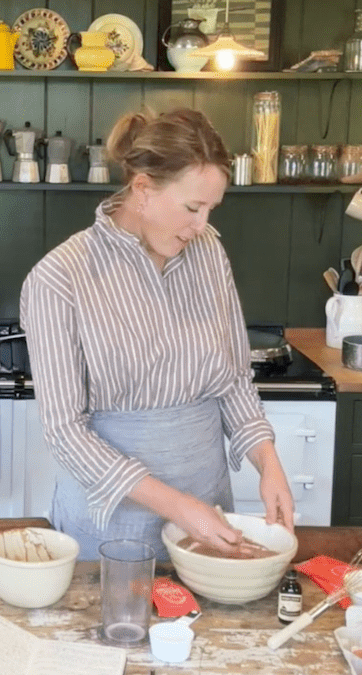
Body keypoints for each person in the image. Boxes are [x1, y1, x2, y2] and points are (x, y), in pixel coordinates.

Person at [19, 108, 295, 561]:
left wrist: (269, 464)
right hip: (111, 526)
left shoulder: (208, 253)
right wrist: (180, 508)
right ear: (143, 190)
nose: (202, 224)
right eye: (192, 207)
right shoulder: (59, 278)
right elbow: (66, 432)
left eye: (210, 208)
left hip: (209, 514)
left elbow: (232, 381)